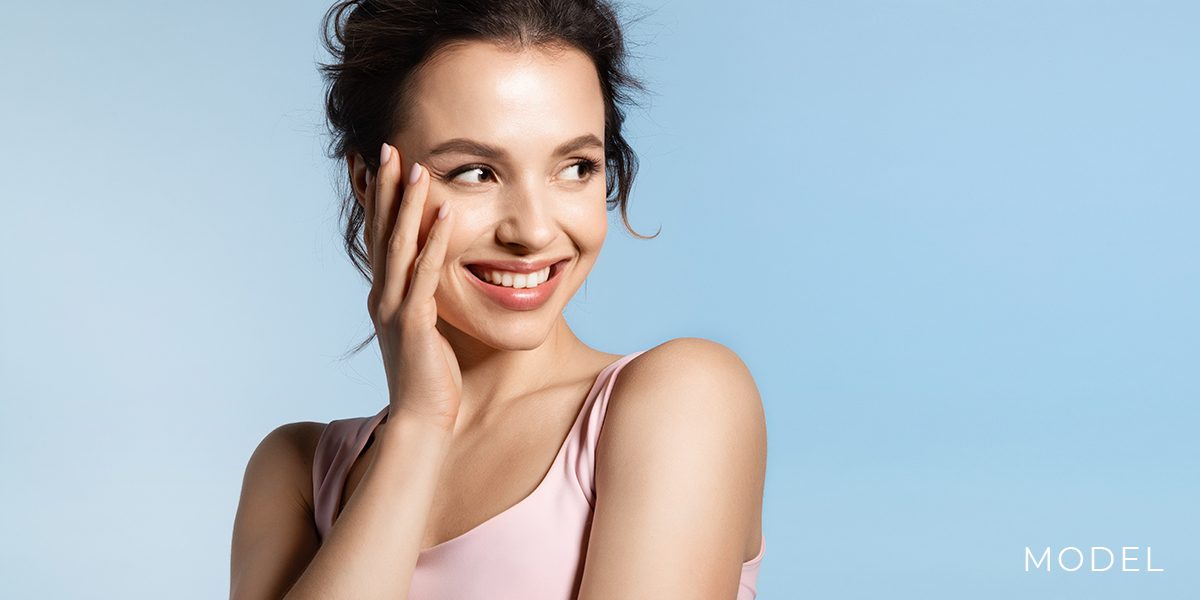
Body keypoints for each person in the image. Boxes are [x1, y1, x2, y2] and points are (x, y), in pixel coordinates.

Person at [230, 1, 767, 598]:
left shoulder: (682, 399)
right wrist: (419, 424)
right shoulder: (298, 473)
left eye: (576, 166)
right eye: (475, 173)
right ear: (368, 183)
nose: (533, 231)